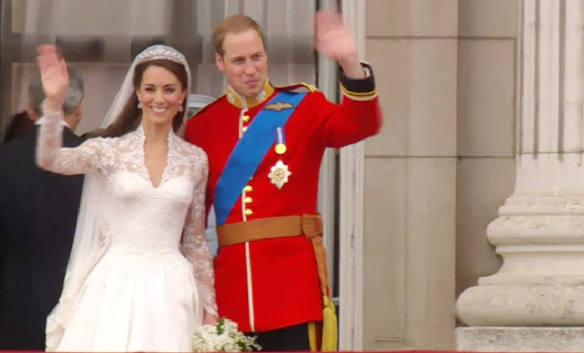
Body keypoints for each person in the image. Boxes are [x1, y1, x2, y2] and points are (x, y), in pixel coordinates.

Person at [185, 12, 383, 351]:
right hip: (233, 293)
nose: (250, 69)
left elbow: (360, 124)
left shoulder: (302, 106)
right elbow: (191, 222)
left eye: (257, 57)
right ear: (220, 62)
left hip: (292, 290)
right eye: (239, 61)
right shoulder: (203, 126)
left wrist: (350, 62)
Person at [35, 44, 217, 352]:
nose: (159, 99)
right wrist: (54, 103)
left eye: (169, 89)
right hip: (116, 284)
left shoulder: (195, 159)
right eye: (150, 89)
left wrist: (210, 310)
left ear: (183, 95)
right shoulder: (109, 150)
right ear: (137, 93)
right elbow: (50, 158)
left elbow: (196, 241)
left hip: (173, 290)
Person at [0, 69, 85, 350]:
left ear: (28, 108)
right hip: (80, 311)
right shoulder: (93, 162)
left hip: (11, 313)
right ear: (81, 106)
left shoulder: (5, 159)